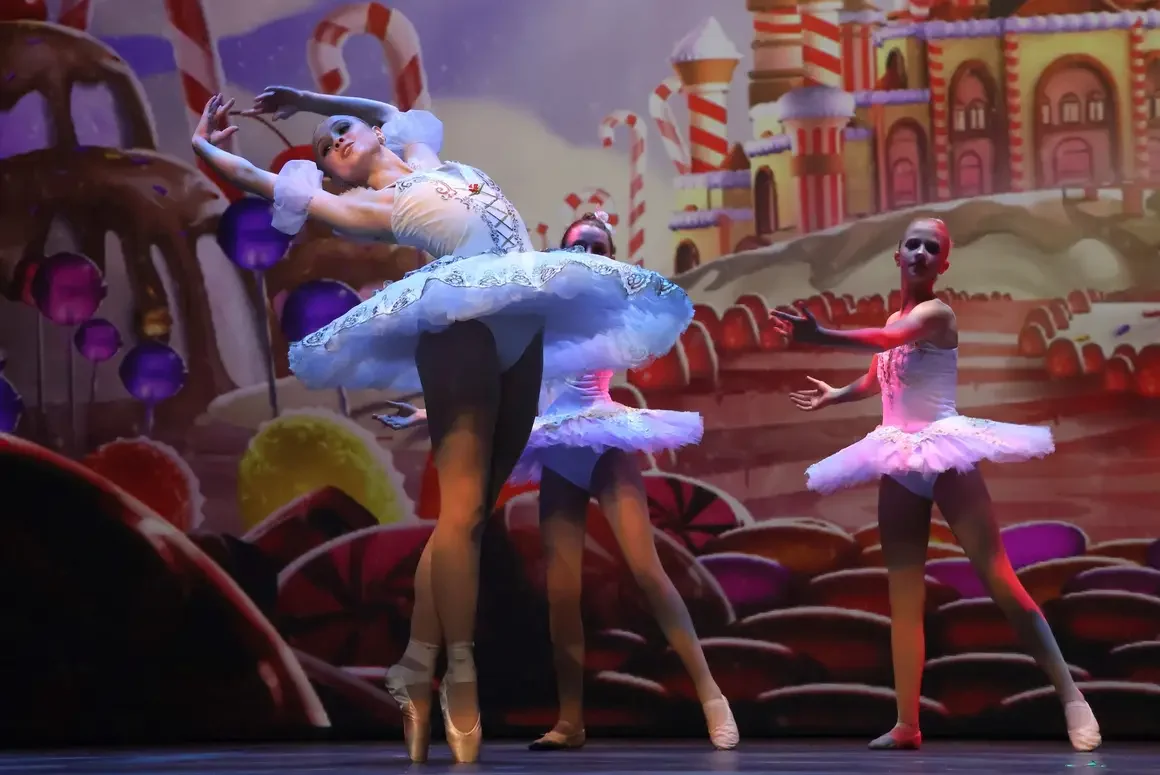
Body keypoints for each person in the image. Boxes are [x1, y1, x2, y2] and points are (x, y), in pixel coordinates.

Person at [197, 87, 693, 763]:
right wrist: (205, 148)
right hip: (459, 326)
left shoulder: (431, 158)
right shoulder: (369, 206)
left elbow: (379, 110)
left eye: (340, 130)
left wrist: (306, 99)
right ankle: (458, 676)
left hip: (524, 322)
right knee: (461, 514)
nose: (334, 140)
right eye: (324, 150)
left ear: (373, 134)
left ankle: (413, 665)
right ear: (333, 174)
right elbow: (258, 179)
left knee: (474, 515)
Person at [380, 213, 739, 752]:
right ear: (560, 251)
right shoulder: (537, 312)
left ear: (611, 257)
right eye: (578, 246)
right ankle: (571, 720)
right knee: (562, 593)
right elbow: (499, 385)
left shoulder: (614, 305)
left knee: (647, 570)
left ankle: (712, 696)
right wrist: (431, 413)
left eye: (598, 248)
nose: (588, 255)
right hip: (553, 443)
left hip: (602, 436)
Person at [770, 217, 1101, 753]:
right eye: (913, 244)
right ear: (897, 255)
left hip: (944, 452)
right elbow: (880, 371)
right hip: (899, 456)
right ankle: (907, 723)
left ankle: (1071, 698)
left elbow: (890, 340)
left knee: (999, 578)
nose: (921, 252)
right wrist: (837, 395)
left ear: (943, 264)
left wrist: (822, 335)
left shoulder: (936, 314)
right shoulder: (896, 317)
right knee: (904, 599)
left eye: (932, 247)